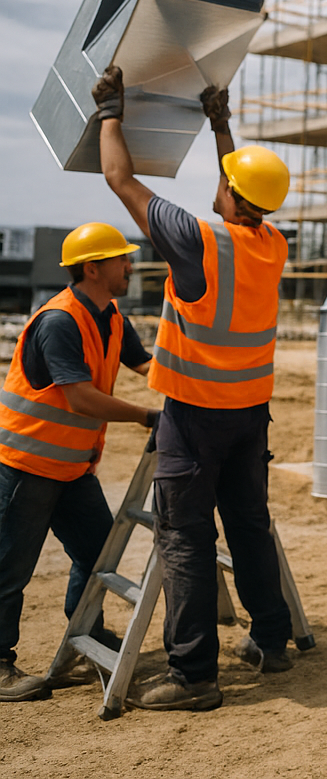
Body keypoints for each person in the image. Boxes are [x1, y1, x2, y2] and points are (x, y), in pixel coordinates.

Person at [91, 65, 295, 712]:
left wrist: (110, 111)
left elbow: (119, 178)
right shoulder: (272, 244)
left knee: (184, 539)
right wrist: (220, 124)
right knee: (249, 526)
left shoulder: (197, 240)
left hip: (195, 416)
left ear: (230, 193)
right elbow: (240, 185)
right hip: (249, 414)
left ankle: (194, 676)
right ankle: (271, 641)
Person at [0, 223, 160, 701]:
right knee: (9, 568)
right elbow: (81, 398)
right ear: (93, 268)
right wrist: (149, 416)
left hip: (72, 468)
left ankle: (83, 641)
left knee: (97, 557)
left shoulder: (109, 315)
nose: (130, 265)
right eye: (121, 259)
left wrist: (191, 383)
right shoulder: (60, 321)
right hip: (27, 466)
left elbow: (146, 364)